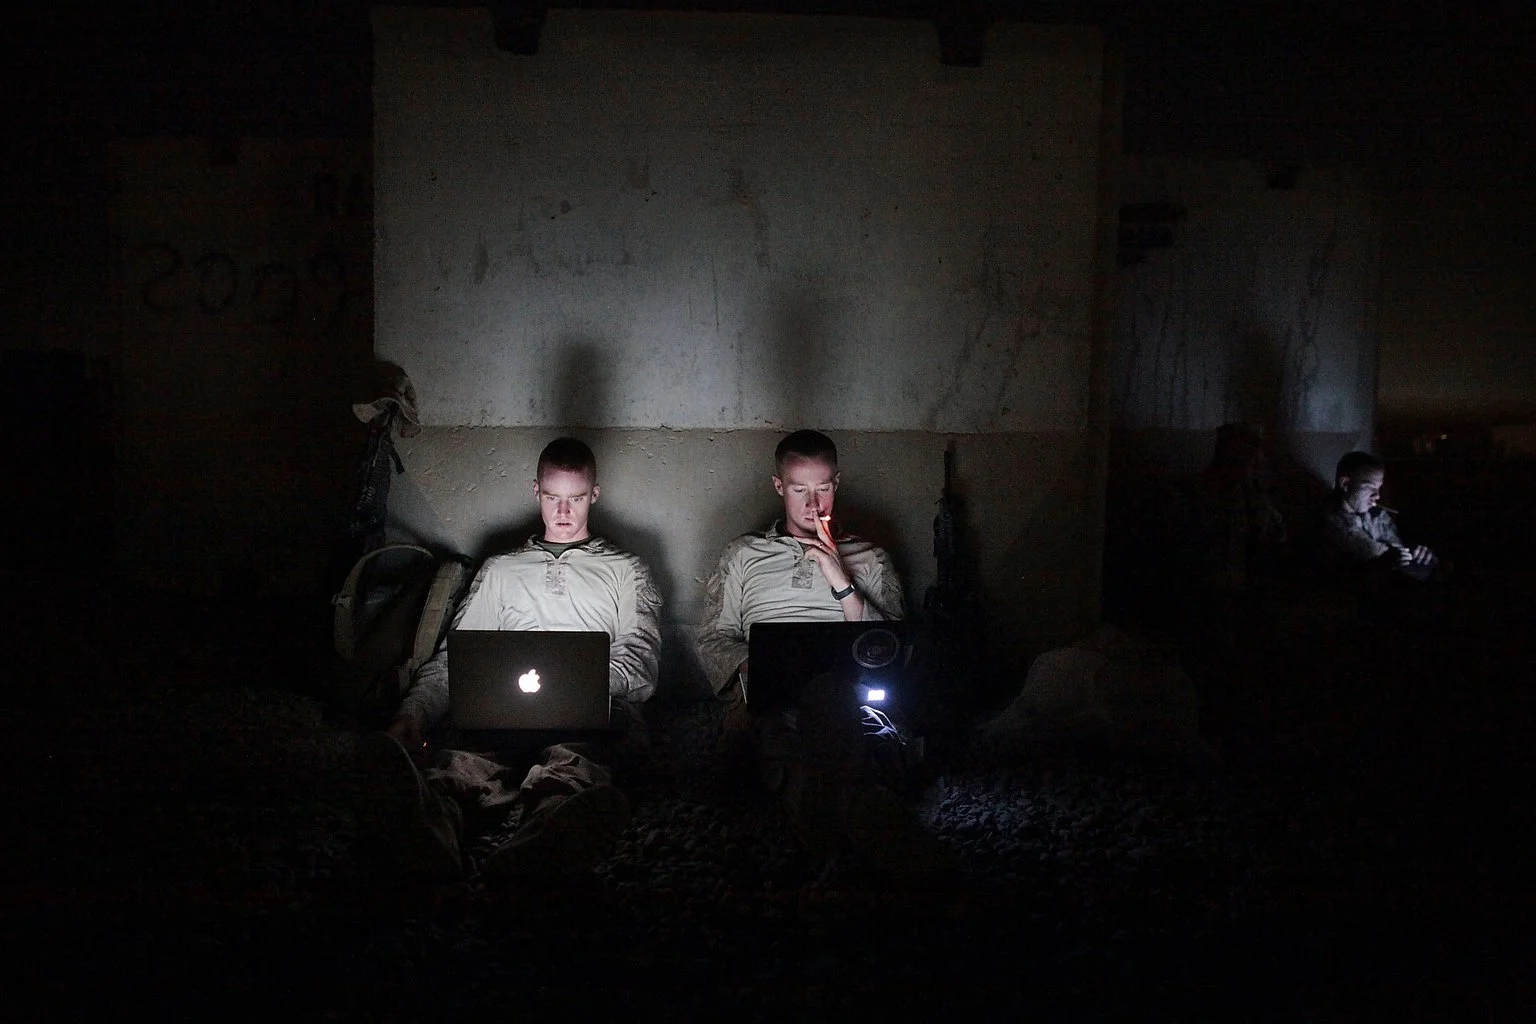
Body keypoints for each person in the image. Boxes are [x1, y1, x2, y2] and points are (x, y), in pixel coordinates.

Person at [373, 436, 662, 881]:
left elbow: (640, 664)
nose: (563, 513)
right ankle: (429, 842)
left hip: (591, 714)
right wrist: (412, 714)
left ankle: (538, 854)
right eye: (552, 498)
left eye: (576, 499)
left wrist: (584, 687)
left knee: (572, 771)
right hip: (503, 711)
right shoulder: (501, 569)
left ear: (594, 496)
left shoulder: (626, 571)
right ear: (536, 493)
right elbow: (457, 658)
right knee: (458, 770)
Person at [695, 429, 947, 882]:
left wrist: (841, 578)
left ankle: (839, 837)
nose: (814, 505)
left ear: (837, 483)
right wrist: (755, 667)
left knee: (862, 735)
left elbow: (891, 649)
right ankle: (863, 837)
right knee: (786, 746)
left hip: (853, 700)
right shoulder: (743, 555)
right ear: (779, 488)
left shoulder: (870, 558)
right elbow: (713, 637)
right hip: (772, 702)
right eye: (799, 490)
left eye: (823, 488)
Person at [1320, 451, 1438, 581]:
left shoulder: (1376, 515)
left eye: (1379, 488)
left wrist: (1418, 554)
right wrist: (1386, 562)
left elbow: (1397, 549)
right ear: (1345, 484)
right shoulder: (1327, 523)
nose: (1377, 496)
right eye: (1370, 488)